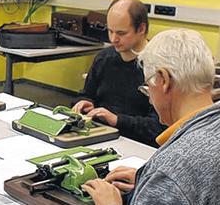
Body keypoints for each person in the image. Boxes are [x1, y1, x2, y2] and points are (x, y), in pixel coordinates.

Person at [82, 28, 219, 205]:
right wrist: (149, 180)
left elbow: (178, 176)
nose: (150, 99)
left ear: (163, 80)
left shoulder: (172, 170)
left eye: (147, 87)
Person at [73, 0, 165, 146]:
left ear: (141, 29)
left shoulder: (158, 68)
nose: (113, 39)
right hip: (99, 135)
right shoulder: (104, 58)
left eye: (121, 33)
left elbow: (159, 127)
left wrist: (117, 120)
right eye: (110, 31)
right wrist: (84, 102)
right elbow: (86, 94)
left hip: (138, 144)